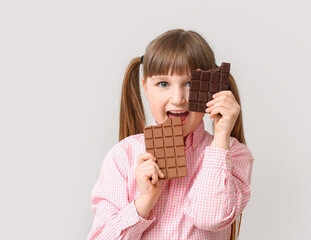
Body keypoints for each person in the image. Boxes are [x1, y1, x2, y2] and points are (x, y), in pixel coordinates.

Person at [87, 29, 255, 240]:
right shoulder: (123, 156)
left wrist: (221, 136)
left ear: (211, 89)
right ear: (146, 88)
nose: (178, 98)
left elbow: (210, 218)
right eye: (163, 84)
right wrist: (144, 201)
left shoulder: (233, 154)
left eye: (191, 84)